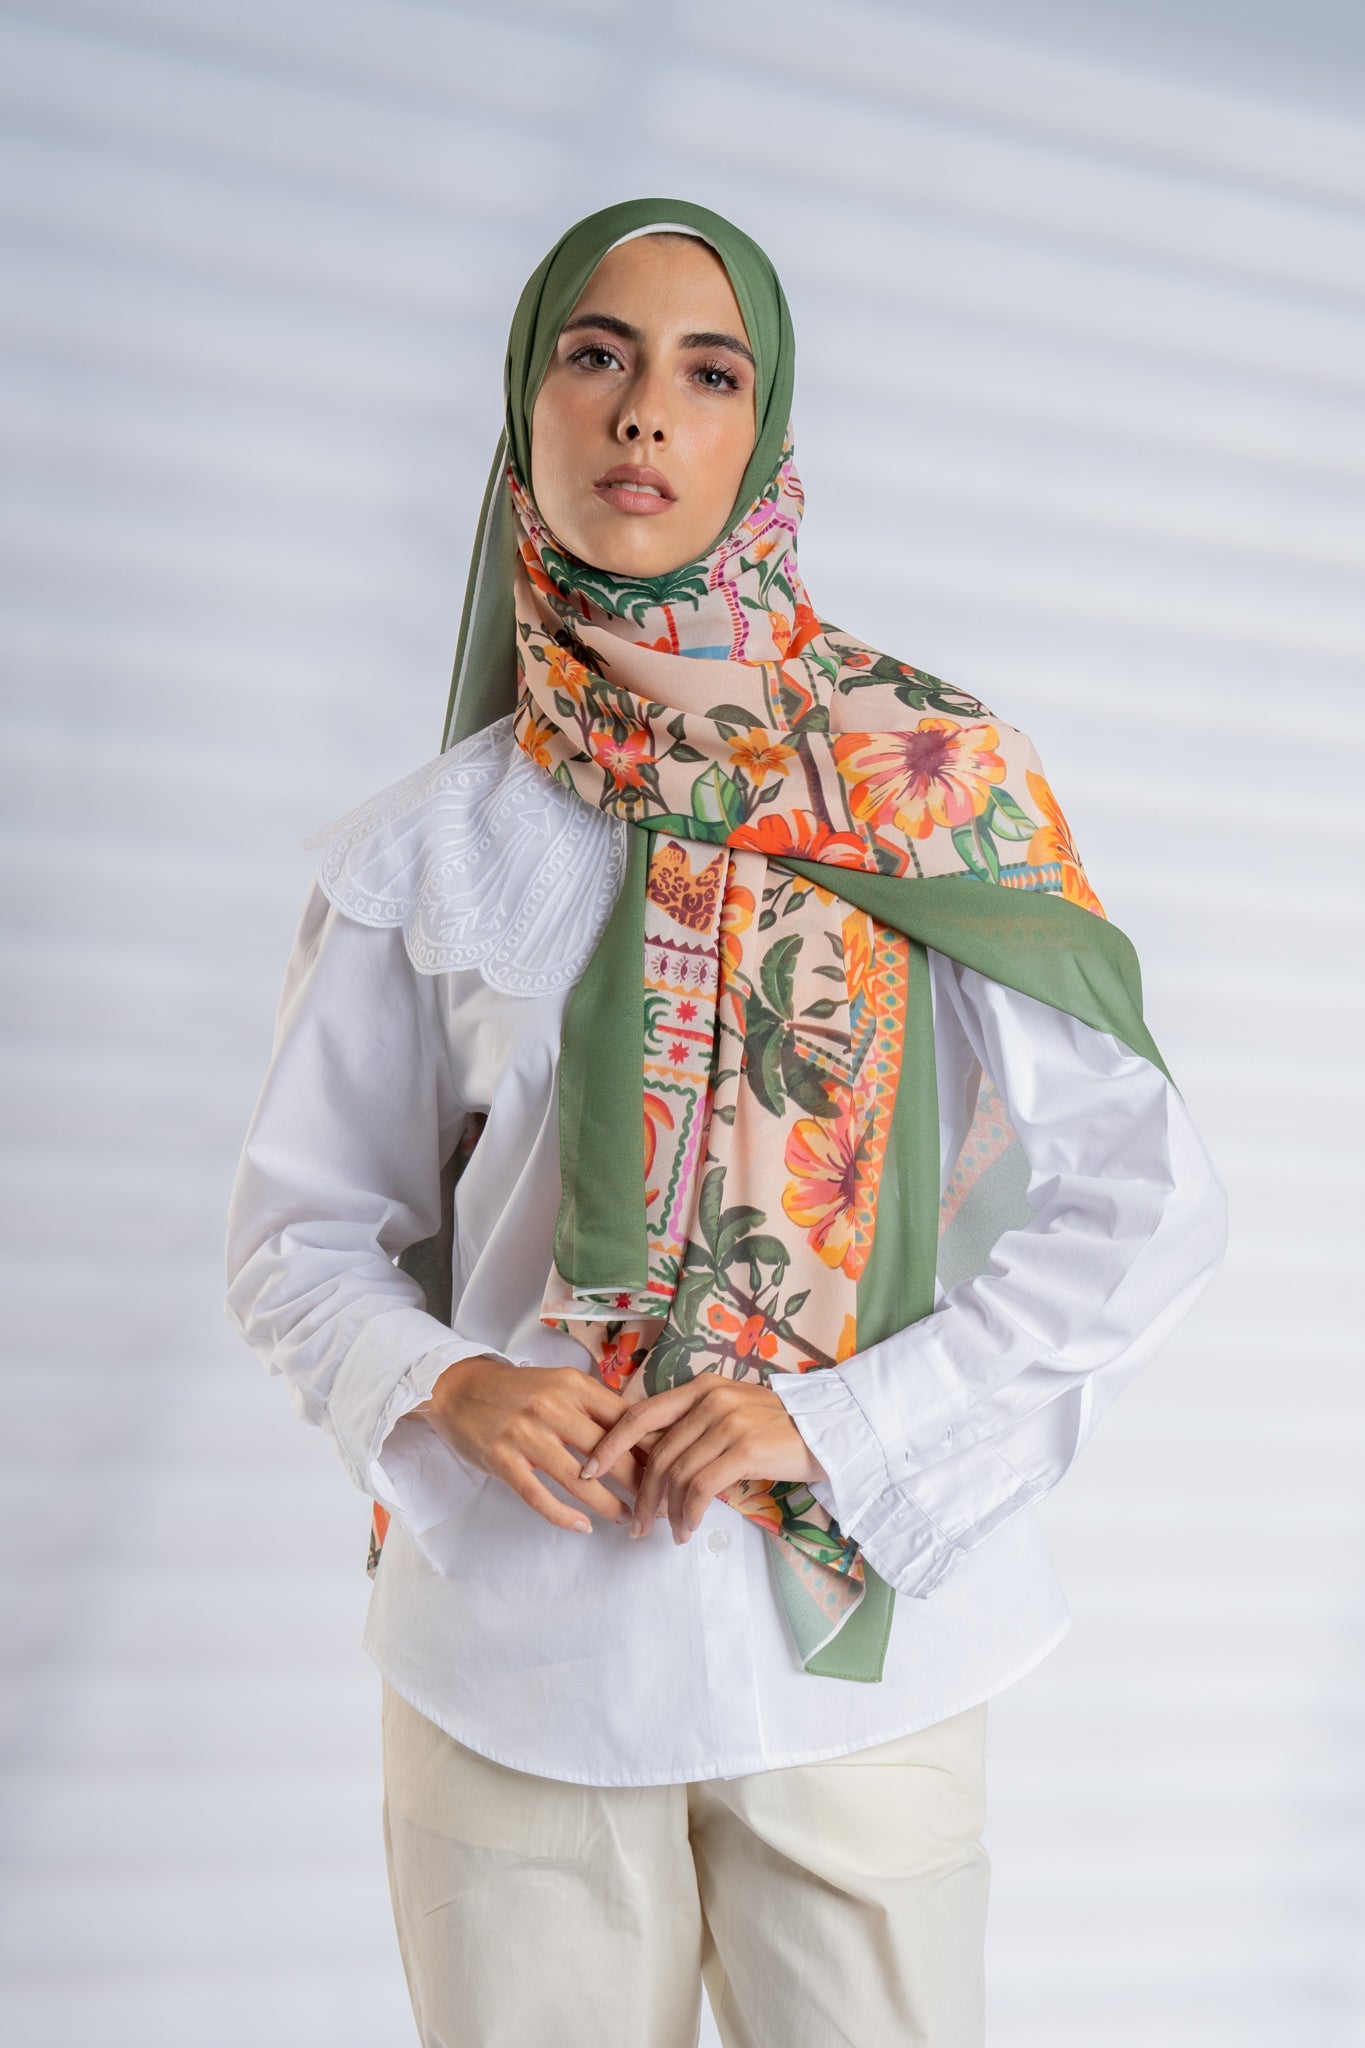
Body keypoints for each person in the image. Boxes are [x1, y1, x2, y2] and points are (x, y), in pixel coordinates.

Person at [225, 197, 1229, 2048]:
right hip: (511, 1656)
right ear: (523, 406)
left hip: (855, 1657)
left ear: (763, 440)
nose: (641, 414)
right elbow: (297, 1238)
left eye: (708, 374)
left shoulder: (927, 784)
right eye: (593, 357)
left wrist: (836, 1420)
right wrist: (450, 1383)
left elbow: (1142, 1201)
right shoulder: (427, 850)